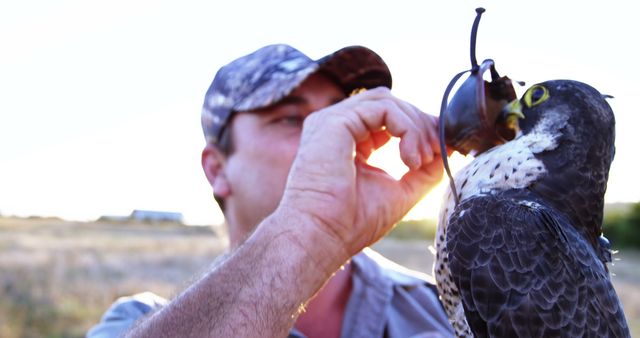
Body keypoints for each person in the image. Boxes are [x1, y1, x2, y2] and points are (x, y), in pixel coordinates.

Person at [88, 44, 454, 337]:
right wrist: (309, 233)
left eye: (340, 113)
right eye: (291, 119)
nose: (329, 135)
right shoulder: (140, 322)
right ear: (217, 169)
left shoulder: (443, 307)